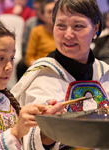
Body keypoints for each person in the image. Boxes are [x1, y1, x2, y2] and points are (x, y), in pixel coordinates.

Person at [11, 0, 109, 149]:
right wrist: (49, 129)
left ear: (95, 28)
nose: (68, 34)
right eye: (61, 25)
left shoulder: (104, 72)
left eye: (78, 26)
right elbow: (28, 139)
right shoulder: (42, 74)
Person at [0, 19, 65, 149]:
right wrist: (15, 133)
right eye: (1, 58)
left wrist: (48, 129)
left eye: (12, 58)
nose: (9, 66)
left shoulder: (5, 100)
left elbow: (25, 144)